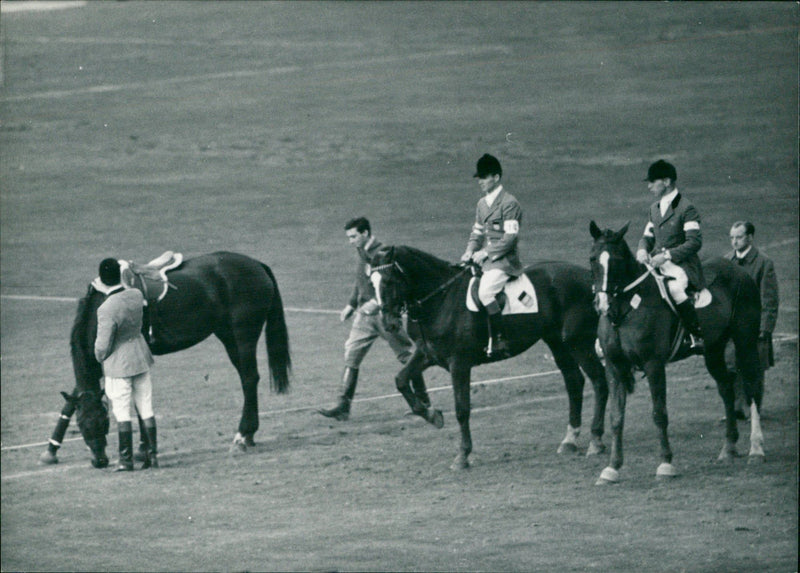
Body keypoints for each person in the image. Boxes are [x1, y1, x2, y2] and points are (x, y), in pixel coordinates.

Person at [318, 217, 428, 421]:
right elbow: (360, 279)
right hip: (364, 316)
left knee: (406, 356)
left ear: (366, 233)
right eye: (349, 237)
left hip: (384, 316)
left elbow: (392, 284)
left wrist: (377, 303)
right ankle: (343, 405)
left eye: (353, 236)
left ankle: (422, 401)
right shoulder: (362, 251)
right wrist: (351, 304)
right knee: (352, 354)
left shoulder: (383, 253)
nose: (350, 241)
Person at [94, 258, 159, 471]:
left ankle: (125, 460)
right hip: (140, 356)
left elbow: (102, 346)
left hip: (119, 364)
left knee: (122, 413)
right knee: (146, 408)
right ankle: (152, 455)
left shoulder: (106, 309)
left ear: (102, 281)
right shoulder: (136, 295)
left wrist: (99, 356)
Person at [636, 159, 705, 350]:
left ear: (666, 182)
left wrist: (666, 256)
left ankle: (695, 333)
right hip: (657, 262)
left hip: (681, 265)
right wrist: (642, 249)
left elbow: (694, 242)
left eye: (652, 182)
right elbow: (647, 237)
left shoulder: (686, 208)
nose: (649, 186)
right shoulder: (654, 208)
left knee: (673, 288)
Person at [460, 153, 523, 358]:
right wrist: (470, 251)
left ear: (496, 178)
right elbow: (477, 233)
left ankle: (500, 338)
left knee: (485, 292)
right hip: (485, 261)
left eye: (484, 177)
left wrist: (486, 252)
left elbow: (510, 238)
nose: (480, 181)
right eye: (479, 177)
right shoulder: (481, 204)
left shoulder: (509, 203)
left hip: (505, 262)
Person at [726, 221, 779, 417]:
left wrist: (765, 330)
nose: (734, 242)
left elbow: (769, 299)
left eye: (738, 237)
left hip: (754, 327)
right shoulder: (727, 260)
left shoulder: (764, 263)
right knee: (731, 366)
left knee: (754, 370)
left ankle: (754, 409)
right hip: (732, 327)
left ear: (750, 238)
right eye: (732, 237)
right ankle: (736, 408)